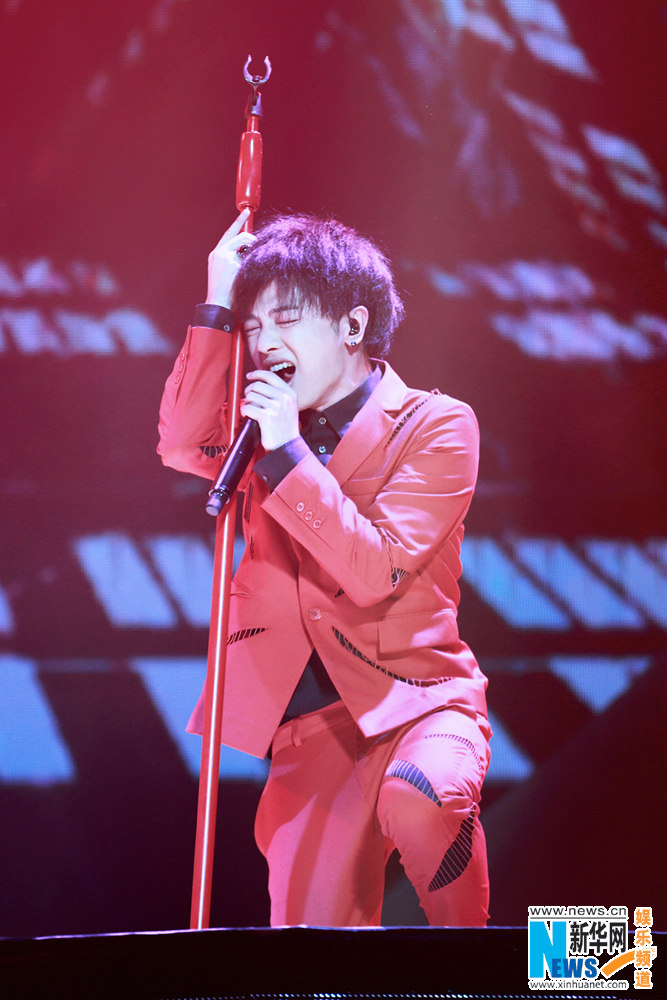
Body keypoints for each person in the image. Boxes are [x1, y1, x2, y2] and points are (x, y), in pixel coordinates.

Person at [158, 209, 491, 927]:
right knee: (309, 950)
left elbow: (375, 570)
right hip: (311, 729)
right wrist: (216, 304)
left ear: (352, 325)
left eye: (286, 320)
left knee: (421, 797)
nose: (264, 343)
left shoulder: (435, 424)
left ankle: (498, 956)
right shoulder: (258, 434)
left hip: (417, 704)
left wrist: (286, 454)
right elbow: (184, 444)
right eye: (253, 327)